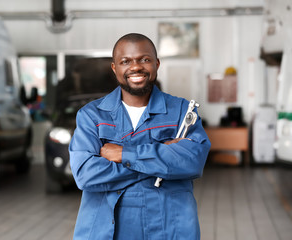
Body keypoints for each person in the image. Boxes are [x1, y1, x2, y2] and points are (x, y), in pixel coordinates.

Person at [69, 33, 211, 240]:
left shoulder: (182, 111)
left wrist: (124, 154)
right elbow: (85, 174)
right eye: (125, 61)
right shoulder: (91, 115)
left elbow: (192, 162)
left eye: (144, 59)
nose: (135, 67)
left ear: (157, 64)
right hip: (106, 231)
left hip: (170, 229)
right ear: (114, 68)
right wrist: (163, 159)